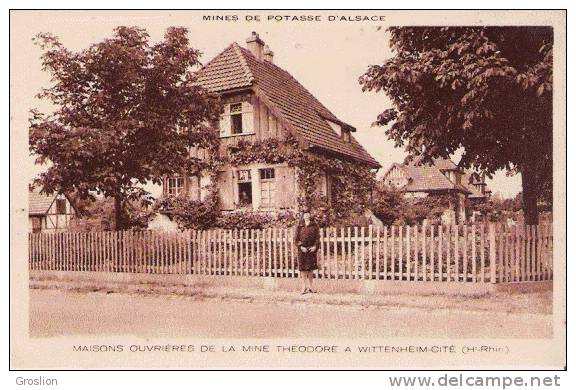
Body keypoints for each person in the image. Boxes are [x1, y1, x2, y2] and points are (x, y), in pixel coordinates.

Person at [294, 211, 320, 294]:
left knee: (310, 269)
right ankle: (304, 287)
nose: (307, 216)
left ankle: (311, 287)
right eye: (305, 214)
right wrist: (300, 247)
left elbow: (317, 238)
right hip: (302, 250)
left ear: (310, 215)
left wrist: (315, 246)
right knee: (303, 270)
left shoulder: (314, 226)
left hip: (311, 250)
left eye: (308, 214)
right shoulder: (299, 226)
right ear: (303, 216)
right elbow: (296, 239)